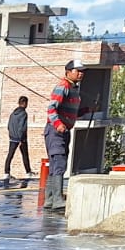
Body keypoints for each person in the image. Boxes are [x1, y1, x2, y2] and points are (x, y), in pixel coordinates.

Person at [44, 60, 84, 210]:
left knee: (56, 166)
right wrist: (58, 124)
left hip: (64, 130)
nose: (80, 73)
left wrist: (86, 109)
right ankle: (57, 200)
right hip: (56, 131)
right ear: (68, 72)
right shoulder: (63, 87)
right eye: (77, 70)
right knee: (59, 163)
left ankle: (50, 200)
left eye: (82, 71)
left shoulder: (74, 89)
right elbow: (52, 108)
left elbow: (71, 111)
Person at [3, 96, 32, 182]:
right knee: (25, 155)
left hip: (12, 138)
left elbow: (8, 126)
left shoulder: (12, 114)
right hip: (21, 138)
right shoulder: (24, 113)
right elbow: (22, 127)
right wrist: (21, 139)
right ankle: (28, 172)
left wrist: (12, 135)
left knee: (10, 155)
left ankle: (6, 173)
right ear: (25, 103)